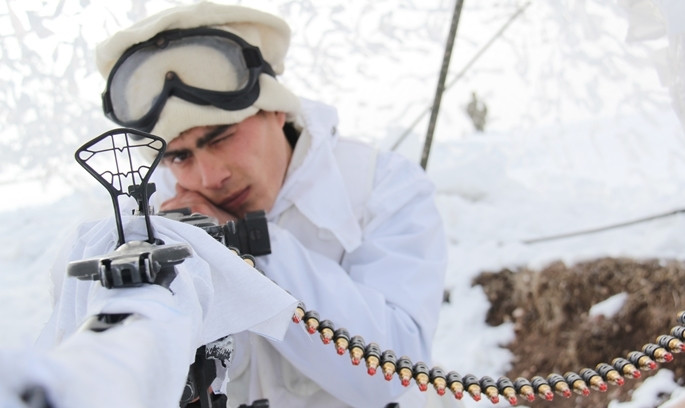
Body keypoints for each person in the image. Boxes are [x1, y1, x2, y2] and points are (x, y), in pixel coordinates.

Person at [41, 2, 449, 407]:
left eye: (220, 138)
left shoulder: (383, 186)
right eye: (180, 157)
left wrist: (249, 242)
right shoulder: (148, 219)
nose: (208, 177)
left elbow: (391, 374)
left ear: (275, 111)